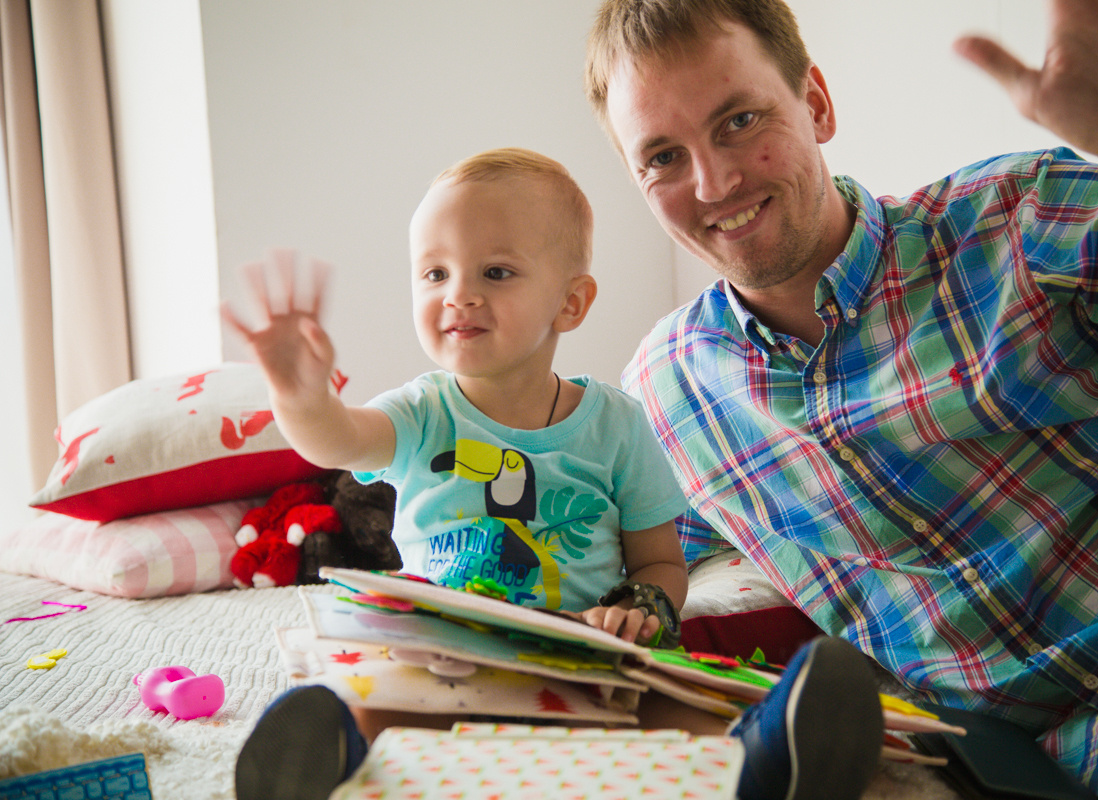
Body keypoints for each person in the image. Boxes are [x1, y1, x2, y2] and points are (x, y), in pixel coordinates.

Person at [584, 1, 1098, 798]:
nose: (715, 181)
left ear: (816, 105)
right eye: (663, 157)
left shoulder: (1027, 218)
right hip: (969, 759)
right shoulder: (671, 390)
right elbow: (628, 552)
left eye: (739, 120)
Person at [226, 147, 886, 800]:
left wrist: (643, 607)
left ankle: (773, 754)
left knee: (673, 711)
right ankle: (322, 761)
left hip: (579, 659)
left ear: (571, 303)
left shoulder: (616, 425)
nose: (459, 294)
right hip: (442, 662)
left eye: (495, 271)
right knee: (375, 713)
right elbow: (338, 440)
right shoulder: (422, 411)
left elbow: (659, 562)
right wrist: (301, 397)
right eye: (433, 274)